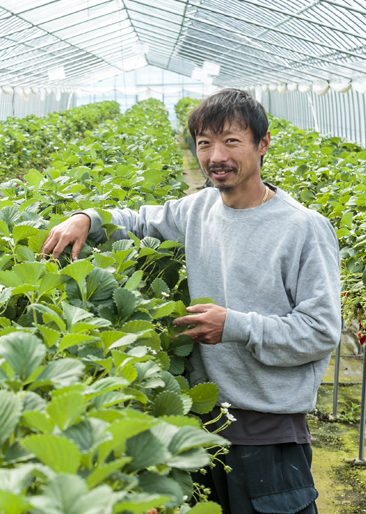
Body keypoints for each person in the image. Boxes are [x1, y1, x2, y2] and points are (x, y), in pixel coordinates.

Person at [41, 88, 340, 513]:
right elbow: (139, 220)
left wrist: (233, 325)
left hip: (266, 428)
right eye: (204, 143)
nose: (216, 155)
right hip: (198, 420)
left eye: (231, 141)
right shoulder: (198, 209)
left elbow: (320, 331)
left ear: (263, 143)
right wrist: (85, 218)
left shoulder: (304, 228)